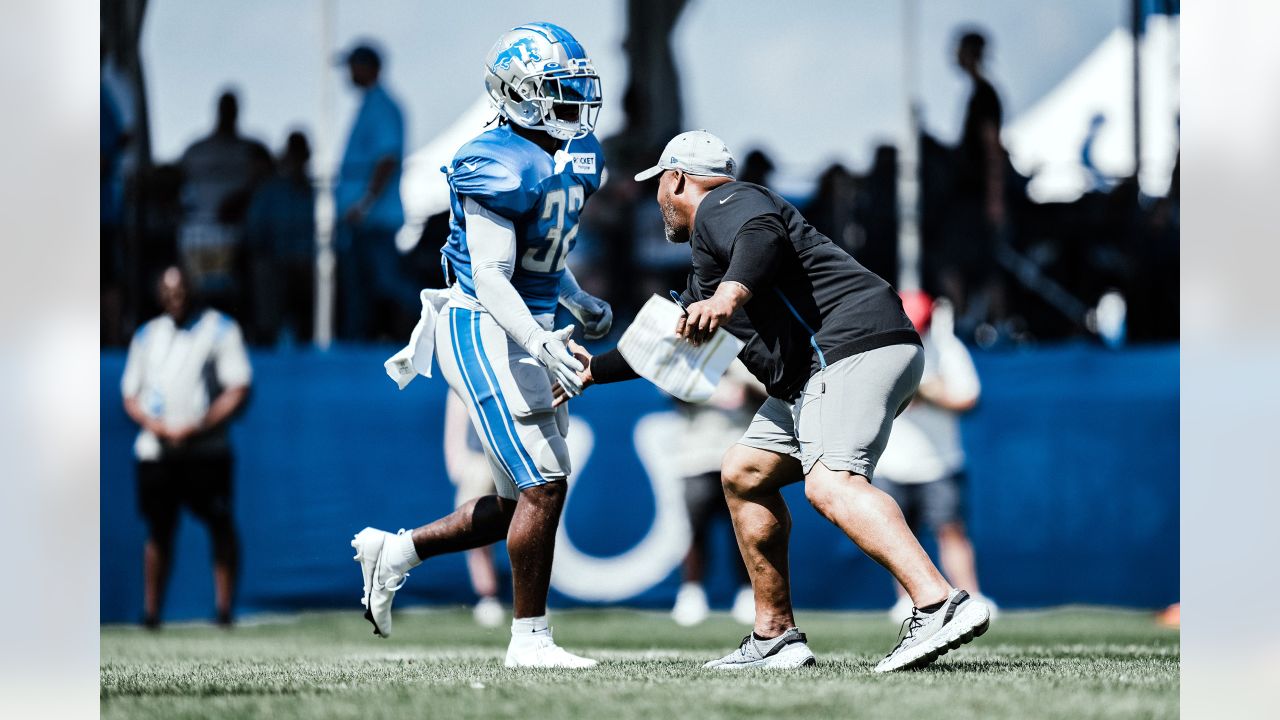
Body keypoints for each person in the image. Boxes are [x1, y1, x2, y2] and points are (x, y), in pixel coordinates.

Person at [562, 130, 992, 672]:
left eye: (660, 188)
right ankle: (775, 637)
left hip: (844, 349)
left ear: (676, 180)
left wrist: (730, 294)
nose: (658, 203)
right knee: (745, 472)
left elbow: (760, 234)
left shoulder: (728, 202)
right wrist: (591, 372)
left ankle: (937, 603)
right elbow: (672, 340)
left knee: (831, 482)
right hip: (833, 364)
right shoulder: (710, 263)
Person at [350, 23, 612, 669]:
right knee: (546, 483)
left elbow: (539, 251)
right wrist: (539, 339)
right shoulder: (492, 157)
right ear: (516, 93)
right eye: (558, 87)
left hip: (533, 321)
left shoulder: (577, 153)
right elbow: (491, 274)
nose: (574, 97)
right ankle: (530, 641)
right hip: (485, 325)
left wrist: (573, 299)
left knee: (516, 502)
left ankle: (398, 551)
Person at [121, 266, 253, 628]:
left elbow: (238, 387)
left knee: (220, 523)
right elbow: (130, 395)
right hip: (158, 452)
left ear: (192, 291)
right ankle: (151, 614)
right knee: (158, 531)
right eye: (167, 292)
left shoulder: (219, 329)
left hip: (207, 452)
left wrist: (199, 426)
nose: (174, 299)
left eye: (180, 291)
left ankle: (224, 610)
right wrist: (159, 427)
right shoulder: (148, 335)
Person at [873, 291, 997, 623]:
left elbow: (968, 398)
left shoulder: (948, 349)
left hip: (939, 462)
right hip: (892, 462)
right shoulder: (882, 347)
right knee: (897, 535)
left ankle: (971, 594)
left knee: (951, 530)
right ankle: (909, 601)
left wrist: (931, 393)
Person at [334, 42, 418, 340]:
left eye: (354, 65)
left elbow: (386, 159)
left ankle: (421, 332)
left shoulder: (382, 106)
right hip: (364, 220)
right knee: (363, 290)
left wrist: (365, 203)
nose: (349, 72)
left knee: (387, 283)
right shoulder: (372, 104)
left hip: (374, 220)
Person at [670, 361, 762, 627]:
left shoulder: (745, 357)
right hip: (696, 459)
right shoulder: (691, 359)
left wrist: (741, 383)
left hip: (741, 456)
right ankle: (692, 593)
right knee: (695, 529)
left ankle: (748, 593)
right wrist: (710, 379)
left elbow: (770, 393)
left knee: (745, 531)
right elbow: (673, 393)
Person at [939, 28, 1008, 335]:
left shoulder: (984, 95)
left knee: (981, 264)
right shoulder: (979, 93)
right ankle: (981, 320)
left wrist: (994, 199)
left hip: (975, 197)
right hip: (971, 196)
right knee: (975, 263)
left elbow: (992, 148)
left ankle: (992, 322)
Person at [178, 90, 271, 316]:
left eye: (233, 108)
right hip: (197, 237)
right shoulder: (196, 149)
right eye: (225, 108)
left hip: (240, 237)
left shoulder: (253, 149)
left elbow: (269, 178)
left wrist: (241, 199)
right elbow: (175, 184)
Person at [245, 131, 317, 345]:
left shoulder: (315, 195)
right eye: (293, 155)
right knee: (265, 273)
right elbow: (254, 231)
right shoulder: (271, 191)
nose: (297, 162)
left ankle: (308, 340)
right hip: (276, 263)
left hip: (306, 268)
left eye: (300, 155)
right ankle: (267, 338)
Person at [441, 392, 505, 628]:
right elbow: (457, 405)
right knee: (474, 531)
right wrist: (456, 459)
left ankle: (530, 596)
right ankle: (488, 596)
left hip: (513, 458)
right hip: (478, 459)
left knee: (527, 524)